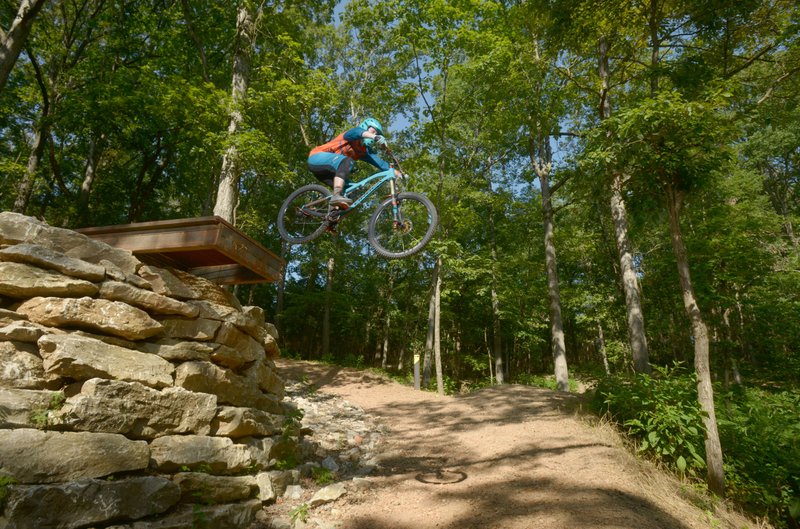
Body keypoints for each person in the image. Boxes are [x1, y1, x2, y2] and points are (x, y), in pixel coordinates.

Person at [307, 117, 398, 207]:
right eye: (373, 131)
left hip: (329, 172)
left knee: (352, 191)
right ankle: (336, 195)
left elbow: (381, 164)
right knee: (347, 161)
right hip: (316, 157)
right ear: (365, 126)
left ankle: (333, 215)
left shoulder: (364, 151)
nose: (374, 134)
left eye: (377, 133)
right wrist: (374, 137)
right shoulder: (352, 134)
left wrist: (399, 174)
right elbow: (359, 132)